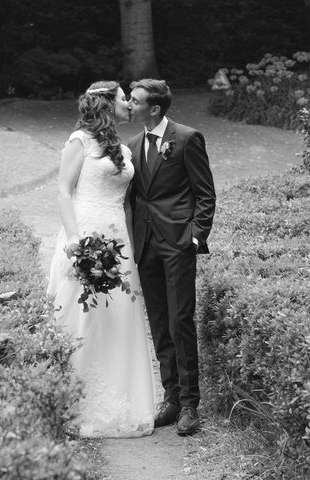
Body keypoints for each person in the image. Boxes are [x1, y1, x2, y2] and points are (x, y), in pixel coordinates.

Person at [47, 80, 156, 438]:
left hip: (118, 241)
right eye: (124, 98)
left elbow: (126, 202)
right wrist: (74, 239)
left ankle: (121, 403)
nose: (129, 103)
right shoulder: (78, 142)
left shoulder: (123, 149)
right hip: (86, 235)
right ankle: (77, 405)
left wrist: (136, 247)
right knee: (86, 316)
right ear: (107, 105)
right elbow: (64, 192)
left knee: (119, 316)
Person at [127, 79, 216, 436]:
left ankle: (191, 404)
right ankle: (172, 397)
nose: (129, 106)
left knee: (181, 321)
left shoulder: (187, 138)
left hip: (178, 244)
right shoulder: (133, 146)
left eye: (134, 101)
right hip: (146, 244)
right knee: (160, 324)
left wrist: (194, 238)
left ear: (155, 109)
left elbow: (205, 194)